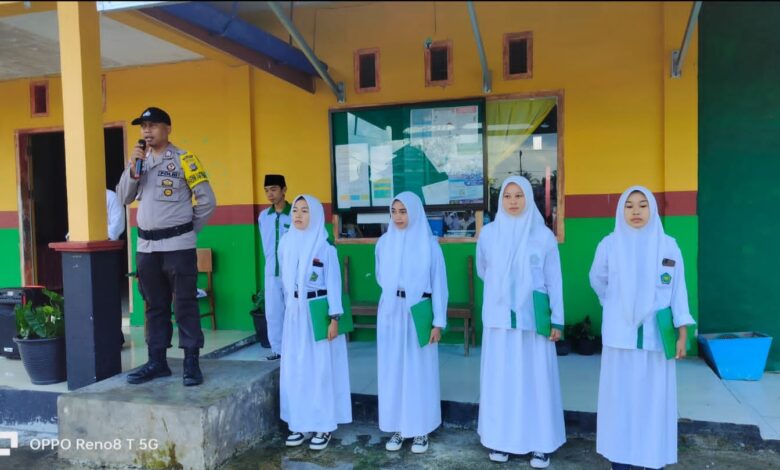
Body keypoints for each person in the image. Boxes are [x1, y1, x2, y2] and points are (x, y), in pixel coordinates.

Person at [589, 186, 695, 470]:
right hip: (619, 340)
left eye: (642, 205)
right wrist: (613, 303)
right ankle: (621, 461)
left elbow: (678, 291)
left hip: (656, 341)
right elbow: (597, 279)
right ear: (620, 210)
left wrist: (683, 331)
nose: (636, 211)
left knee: (652, 403)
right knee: (620, 402)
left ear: (653, 210)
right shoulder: (609, 245)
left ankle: (651, 459)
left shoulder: (668, 246)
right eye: (629, 205)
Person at [117, 106, 216, 387]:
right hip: (147, 247)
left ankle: (191, 362)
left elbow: (207, 201)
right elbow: (124, 197)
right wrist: (131, 168)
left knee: (184, 304)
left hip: (178, 246)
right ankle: (157, 361)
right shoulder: (140, 162)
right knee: (154, 305)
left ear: (168, 128)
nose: (147, 131)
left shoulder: (185, 159)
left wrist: (185, 232)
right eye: (143, 127)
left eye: (154, 125)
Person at [476, 176, 566, 468]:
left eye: (519, 196)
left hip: (534, 320)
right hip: (500, 321)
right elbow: (483, 270)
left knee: (535, 380)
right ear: (500, 200)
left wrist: (558, 320)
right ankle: (500, 440)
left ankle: (540, 444)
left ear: (529, 198)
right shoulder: (489, 234)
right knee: (501, 382)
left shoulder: (543, 236)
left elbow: (554, 280)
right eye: (507, 196)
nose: (513, 201)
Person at [375, 192, 448, 454]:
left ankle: (420, 429)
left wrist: (438, 322)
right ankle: (397, 426)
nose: (398, 217)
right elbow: (382, 278)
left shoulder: (430, 245)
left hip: (419, 311)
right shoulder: (384, 243)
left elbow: (440, 286)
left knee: (419, 371)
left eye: (403, 211)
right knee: (393, 370)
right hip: (392, 311)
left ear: (415, 212)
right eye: (394, 211)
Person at [278, 194, 351, 451]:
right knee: (297, 368)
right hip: (294, 313)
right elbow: (285, 281)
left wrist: (334, 318)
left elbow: (333, 284)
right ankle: (299, 423)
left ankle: (323, 425)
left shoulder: (324, 246)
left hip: (318, 311)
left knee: (320, 369)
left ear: (316, 215)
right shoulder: (286, 243)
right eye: (295, 210)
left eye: (305, 210)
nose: (298, 215)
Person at [258, 174, 291, 361]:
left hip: (291, 272)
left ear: (284, 190)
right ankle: (277, 350)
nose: (270, 194)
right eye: (267, 190)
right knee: (273, 311)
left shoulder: (295, 213)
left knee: (293, 310)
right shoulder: (264, 217)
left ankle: (294, 348)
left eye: (274, 189)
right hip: (271, 271)